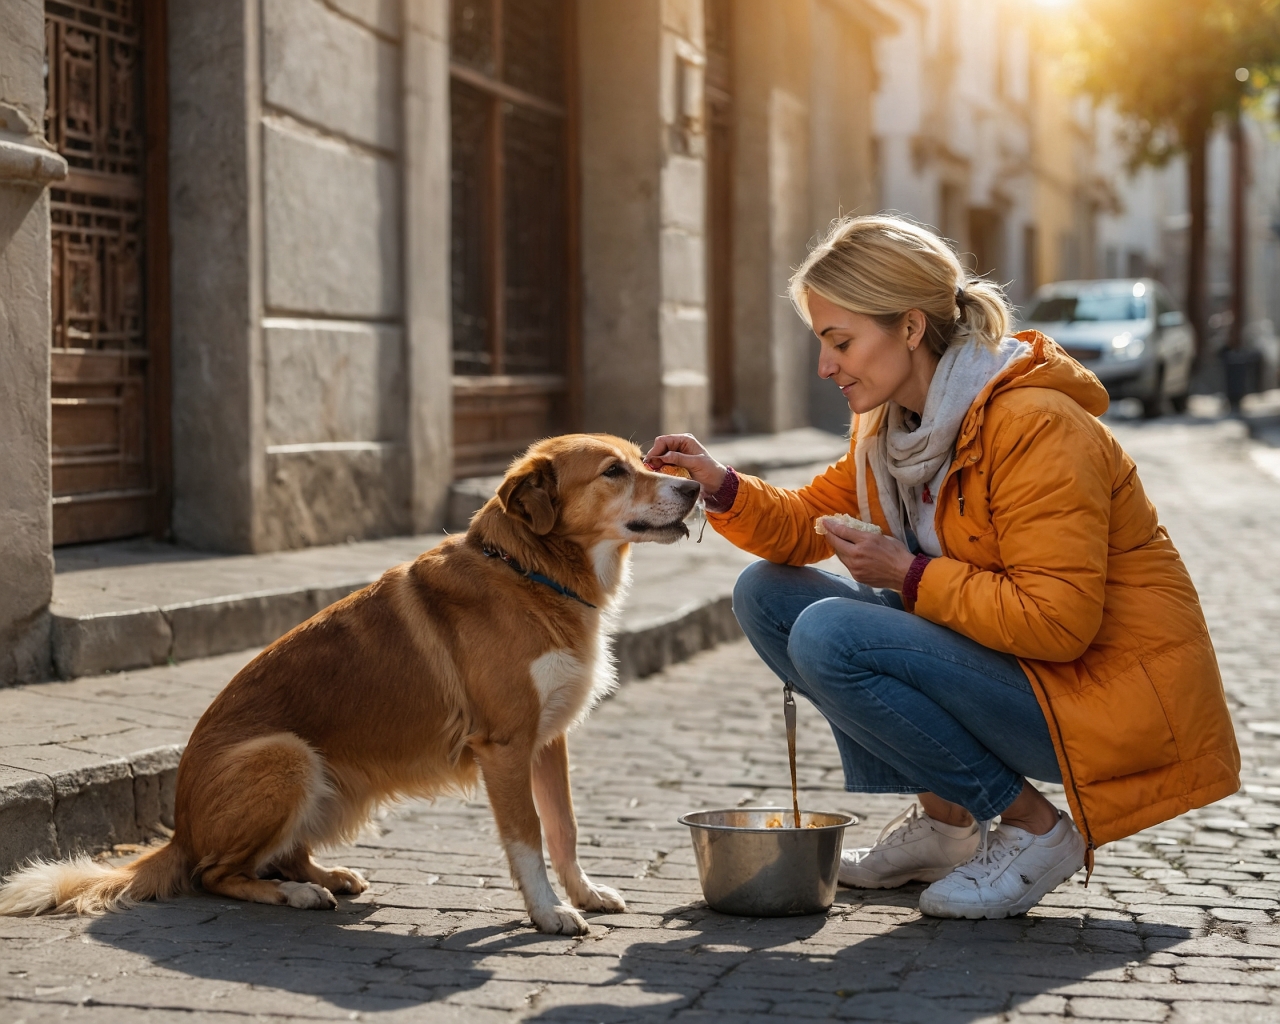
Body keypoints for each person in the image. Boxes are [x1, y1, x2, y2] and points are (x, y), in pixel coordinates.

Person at [646, 215, 1239, 920]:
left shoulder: (1036, 425)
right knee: (768, 593)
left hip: (1096, 702)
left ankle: (1035, 830)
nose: (826, 367)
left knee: (833, 634)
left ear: (910, 328)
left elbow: (1058, 625)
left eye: (840, 342)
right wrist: (720, 484)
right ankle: (947, 825)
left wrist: (905, 573)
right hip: (1017, 676)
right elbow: (806, 524)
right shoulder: (895, 428)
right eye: (822, 344)